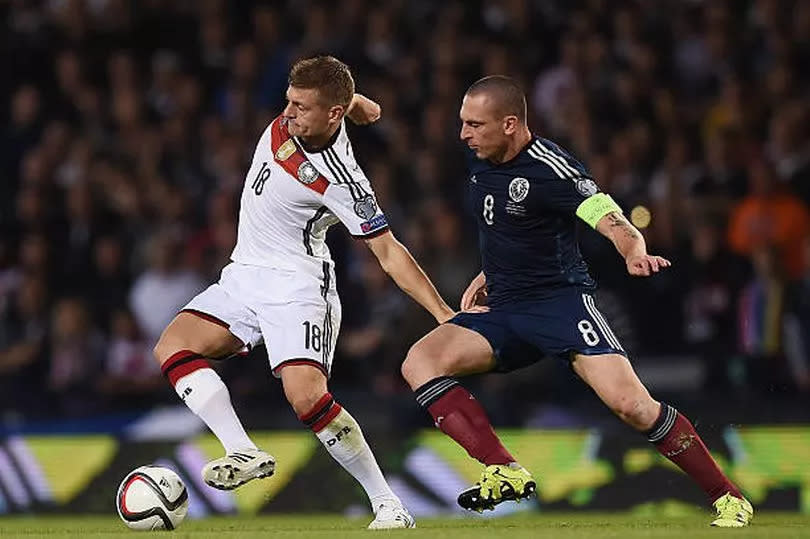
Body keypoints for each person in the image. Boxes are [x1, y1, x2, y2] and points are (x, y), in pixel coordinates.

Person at [399, 76, 754, 528]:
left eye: (474, 124)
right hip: (505, 310)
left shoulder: (552, 168)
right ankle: (503, 469)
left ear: (510, 124)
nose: (463, 135)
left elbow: (608, 217)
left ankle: (728, 497)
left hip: (559, 307)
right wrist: (489, 273)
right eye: (462, 123)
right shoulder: (480, 163)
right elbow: (513, 229)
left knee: (633, 406)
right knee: (420, 361)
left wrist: (634, 251)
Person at [153, 56, 454, 530]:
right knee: (173, 346)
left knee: (306, 399)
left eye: (301, 107)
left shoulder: (344, 180)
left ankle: (388, 503)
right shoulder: (308, 113)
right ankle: (242, 450)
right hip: (244, 273)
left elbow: (390, 253)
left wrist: (442, 313)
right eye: (288, 102)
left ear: (330, 116)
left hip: (298, 284)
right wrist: (357, 101)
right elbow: (335, 96)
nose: (288, 114)